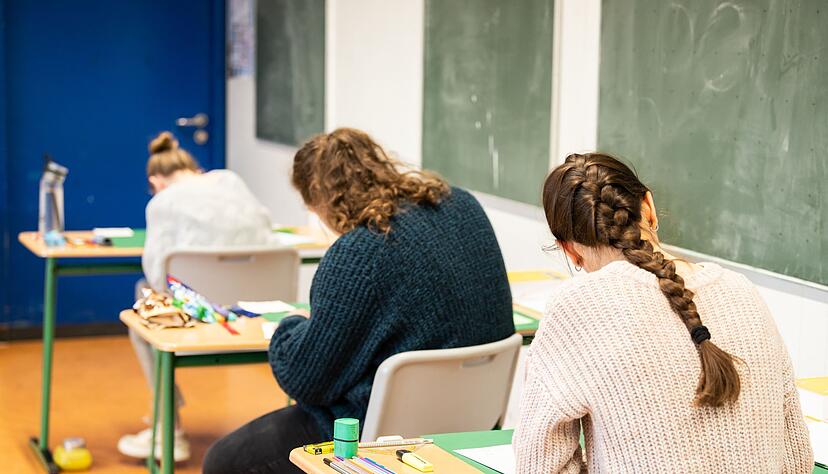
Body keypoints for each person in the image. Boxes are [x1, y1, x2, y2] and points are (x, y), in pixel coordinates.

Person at [203, 128, 516, 473]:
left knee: (223, 460)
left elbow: (306, 380)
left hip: (374, 437)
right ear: (378, 165)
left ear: (319, 202)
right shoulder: (462, 206)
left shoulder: (359, 253)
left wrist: (289, 327)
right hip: (474, 422)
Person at [514, 153, 814, 472]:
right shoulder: (741, 290)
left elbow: (540, 465)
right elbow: (796, 458)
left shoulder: (576, 307)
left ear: (569, 250)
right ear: (649, 207)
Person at [118, 132, 272, 462]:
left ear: (156, 181)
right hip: (256, 311)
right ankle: (165, 421)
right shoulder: (231, 182)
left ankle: (167, 426)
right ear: (194, 168)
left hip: (200, 315)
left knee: (142, 295)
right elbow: (267, 233)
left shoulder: (161, 202)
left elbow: (159, 278)